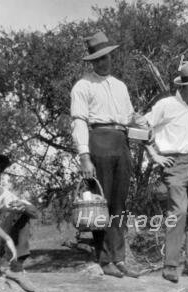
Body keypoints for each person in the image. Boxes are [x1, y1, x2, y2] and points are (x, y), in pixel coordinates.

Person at [70, 32, 139, 278]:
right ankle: (104, 258)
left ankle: (119, 258)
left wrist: (145, 125)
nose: (103, 62)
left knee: (119, 204)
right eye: (97, 59)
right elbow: (79, 121)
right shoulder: (83, 86)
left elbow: (131, 118)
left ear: (111, 56)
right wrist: (84, 156)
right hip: (98, 141)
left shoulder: (120, 86)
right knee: (101, 204)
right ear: (91, 61)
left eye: (106, 57)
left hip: (122, 142)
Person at [143, 63, 188, 283]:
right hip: (174, 165)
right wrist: (154, 155)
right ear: (186, 87)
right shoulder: (166, 105)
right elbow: (140, 127)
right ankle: (171, 265)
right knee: (178, 212)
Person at [0, 146, 38, 292]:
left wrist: (24, 207)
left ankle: (15, 269)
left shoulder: (0, 191)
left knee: (19, 212)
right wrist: (7, 238)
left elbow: (34, 212)